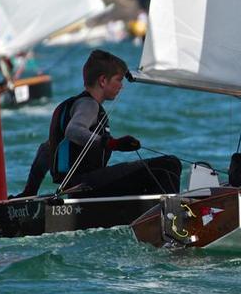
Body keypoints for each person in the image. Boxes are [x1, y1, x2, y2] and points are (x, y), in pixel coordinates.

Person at [44, 49, 181, 197]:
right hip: (85, 186)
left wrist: (29, 189)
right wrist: (112, 144)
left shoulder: (69, 105)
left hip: (77, 188)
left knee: (152, 174)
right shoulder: (89, 105)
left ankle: (152, 214)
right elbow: (74, 130)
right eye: (118, 80)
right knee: (169, 165)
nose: (121, 86)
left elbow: (45, 149)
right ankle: (169, 216)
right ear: (103, 81)